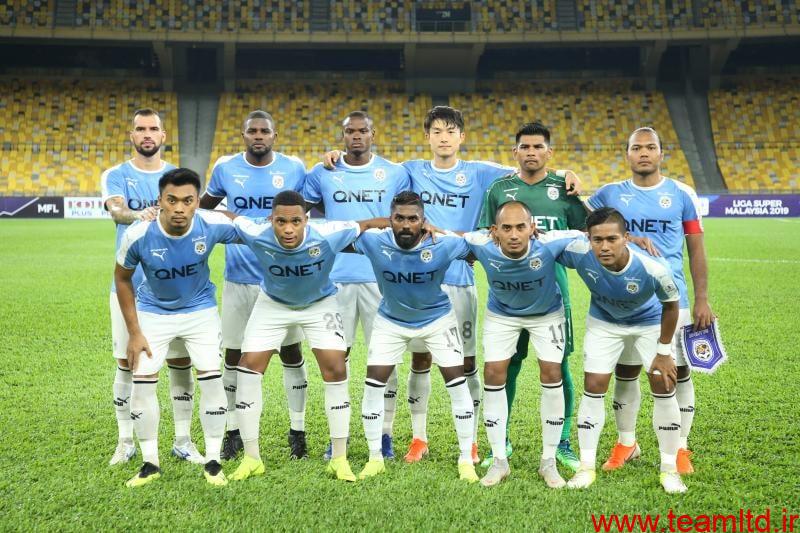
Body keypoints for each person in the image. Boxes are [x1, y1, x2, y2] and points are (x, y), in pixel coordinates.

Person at [224, 190, 390, 483]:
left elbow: (366, 223)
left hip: (319, 304)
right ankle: (252, 458)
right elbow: (229, 217)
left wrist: (416, 225)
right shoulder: (256, 231)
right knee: (247, 369)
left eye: (296, 221)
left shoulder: (328, 233)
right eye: (281, 221)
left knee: (336, 368)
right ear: (271, 220)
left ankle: (339, 459)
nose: (288, 229)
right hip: (272, 304)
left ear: (306, 220)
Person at [586, 127, 713, 475]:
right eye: (637, 147)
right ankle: (627, 443)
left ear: (661, 153)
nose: (643, 153)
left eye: (650, 147)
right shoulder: (609, 194)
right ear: (627, 154)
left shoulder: (682, 194)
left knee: (676, 373)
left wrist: (702, 299)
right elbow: (583, 221)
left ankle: (680, 446)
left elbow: (696, 250)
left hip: (673, 300)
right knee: (625, 372)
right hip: (625, 301)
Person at [115, 168, 239, 487]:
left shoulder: (210, 224)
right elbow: (122, 278)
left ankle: (213, 461)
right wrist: (135, 332)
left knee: (212, 379)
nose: (179, 208)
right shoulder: (138, 234)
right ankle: (150, 463)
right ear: (160, 200)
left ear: (197, 202)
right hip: (153, 312)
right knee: (143, 383)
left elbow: (251, 229)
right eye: (172, 200)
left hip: (200, 311)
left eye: (187, 200)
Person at [476, 122, 586, 471]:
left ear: (549, 152)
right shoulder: (499, 189)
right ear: (515, 152)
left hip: (553, 293)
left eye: (538, 146)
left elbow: (587, 233)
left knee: (557, 367)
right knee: (505, 366)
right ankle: (501, 441)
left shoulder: (564, 188)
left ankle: (562, 441)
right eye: (525, 146)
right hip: (507, 295)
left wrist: (571, 179)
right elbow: (485, 235)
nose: (531, 152)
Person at [200, 110, 309, 460]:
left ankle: (298, 430)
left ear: (274, 135)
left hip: (283, 280)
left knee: (291, 352)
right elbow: (203, 209)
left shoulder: (294, 168)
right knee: (234, 354)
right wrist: (230, 218)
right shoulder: (226, 168)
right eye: (252, 131)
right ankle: (233, 431)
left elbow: (309, 212)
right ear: (244, 135)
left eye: (264, 131)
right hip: (238, 278)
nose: (258, 136)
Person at [555, 208, 687, 494]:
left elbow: (671, 305)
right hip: (604, 323)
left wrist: (664, 352)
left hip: (648, 323)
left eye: (612, 239)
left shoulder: (652, 268)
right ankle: (586, 468)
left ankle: (669, 470)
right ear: (588, 238)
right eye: (597, 240)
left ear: (626, 238)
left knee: (663, 384)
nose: (604, 246)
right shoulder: (579, 252)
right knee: (594, 385)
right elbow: (544, 242)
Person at [303, 110, 410, 460]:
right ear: (343, 135)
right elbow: (301, 216)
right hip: (335, 279)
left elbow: (403, 220)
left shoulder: (395, 173)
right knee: (338, 360)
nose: (357, 136)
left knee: (386, 358)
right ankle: (340, 435)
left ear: (373, 134)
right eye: (350, 131)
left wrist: (359, 226)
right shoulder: (323, 172)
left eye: (363, 130)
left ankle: (385, 434)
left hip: (383, 278)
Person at [352, 191, 478, 483]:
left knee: (457, 384)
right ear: (390, 219)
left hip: (437, 321)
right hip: (390, 321)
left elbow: (478, 243)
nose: (406, 225)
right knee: (373, 386)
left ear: (423, 221)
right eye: (399, 218)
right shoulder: (374, 241)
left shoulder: (442, 244)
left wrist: (442, 230)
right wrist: (373, 223)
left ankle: (465, 459)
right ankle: (374, 458)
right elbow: (339, 234)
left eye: (413, 219)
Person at [102, 108, 203, 466]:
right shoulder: (116, 175)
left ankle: (183, 440)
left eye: (153, 129)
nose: (147, 134)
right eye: (140, 129)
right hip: (130, 288)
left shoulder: (176, 177)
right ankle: (125, 440)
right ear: (132, 135)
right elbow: (117, 212)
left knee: (180, 362)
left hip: (174, 289)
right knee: (126, 363)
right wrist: (140, 214)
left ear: (163, 136)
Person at [464, 200, 584, 488]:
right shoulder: (481, 244)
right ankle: (499, 461)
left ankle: (548, 462)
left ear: (533, 227)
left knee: (552, 372)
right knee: (494, 372)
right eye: (506, 228)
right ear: (494, 231)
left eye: (521, 227)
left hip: (547, 314)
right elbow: (449, 238)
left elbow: (590, 235)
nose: (514, 234)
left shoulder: (550, 243)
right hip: (502, 315)